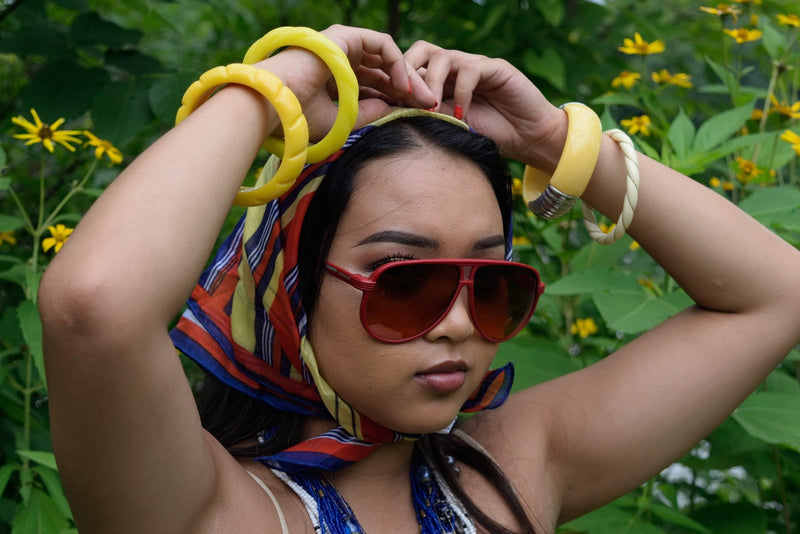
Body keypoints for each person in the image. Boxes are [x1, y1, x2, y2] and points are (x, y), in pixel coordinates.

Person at [38, 24, 800, 534]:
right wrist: (277, 87)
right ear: (290, 289)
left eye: (493, 284)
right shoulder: (211, 508)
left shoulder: (514, 465)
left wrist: (557, 141)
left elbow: (778, 294)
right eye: (405, 280)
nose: (462, 324)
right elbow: (94, 307)